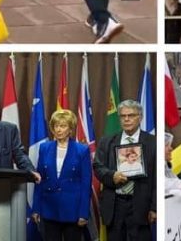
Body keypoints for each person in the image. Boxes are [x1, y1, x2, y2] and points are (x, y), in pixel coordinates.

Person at [94, 101, 155, 241]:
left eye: (131, 115)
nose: (126, 119)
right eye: (123, 116)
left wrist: (155, 207)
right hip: (115, 205)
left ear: (140, 117)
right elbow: (97, 166)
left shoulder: (153, 142)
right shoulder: (107, 141)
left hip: (141, 206)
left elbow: (157, 176)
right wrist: (111, 175)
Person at [31, 110, 92, 241]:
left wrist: (83, 213)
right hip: (49, 208)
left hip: (73, 209)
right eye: (56, 126)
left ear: (70, 129)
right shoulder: (44, 148)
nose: (58, 130)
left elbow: (86, 184)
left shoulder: (82, 150)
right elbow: (39, 180)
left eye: (63, 126)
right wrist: (36, 208)